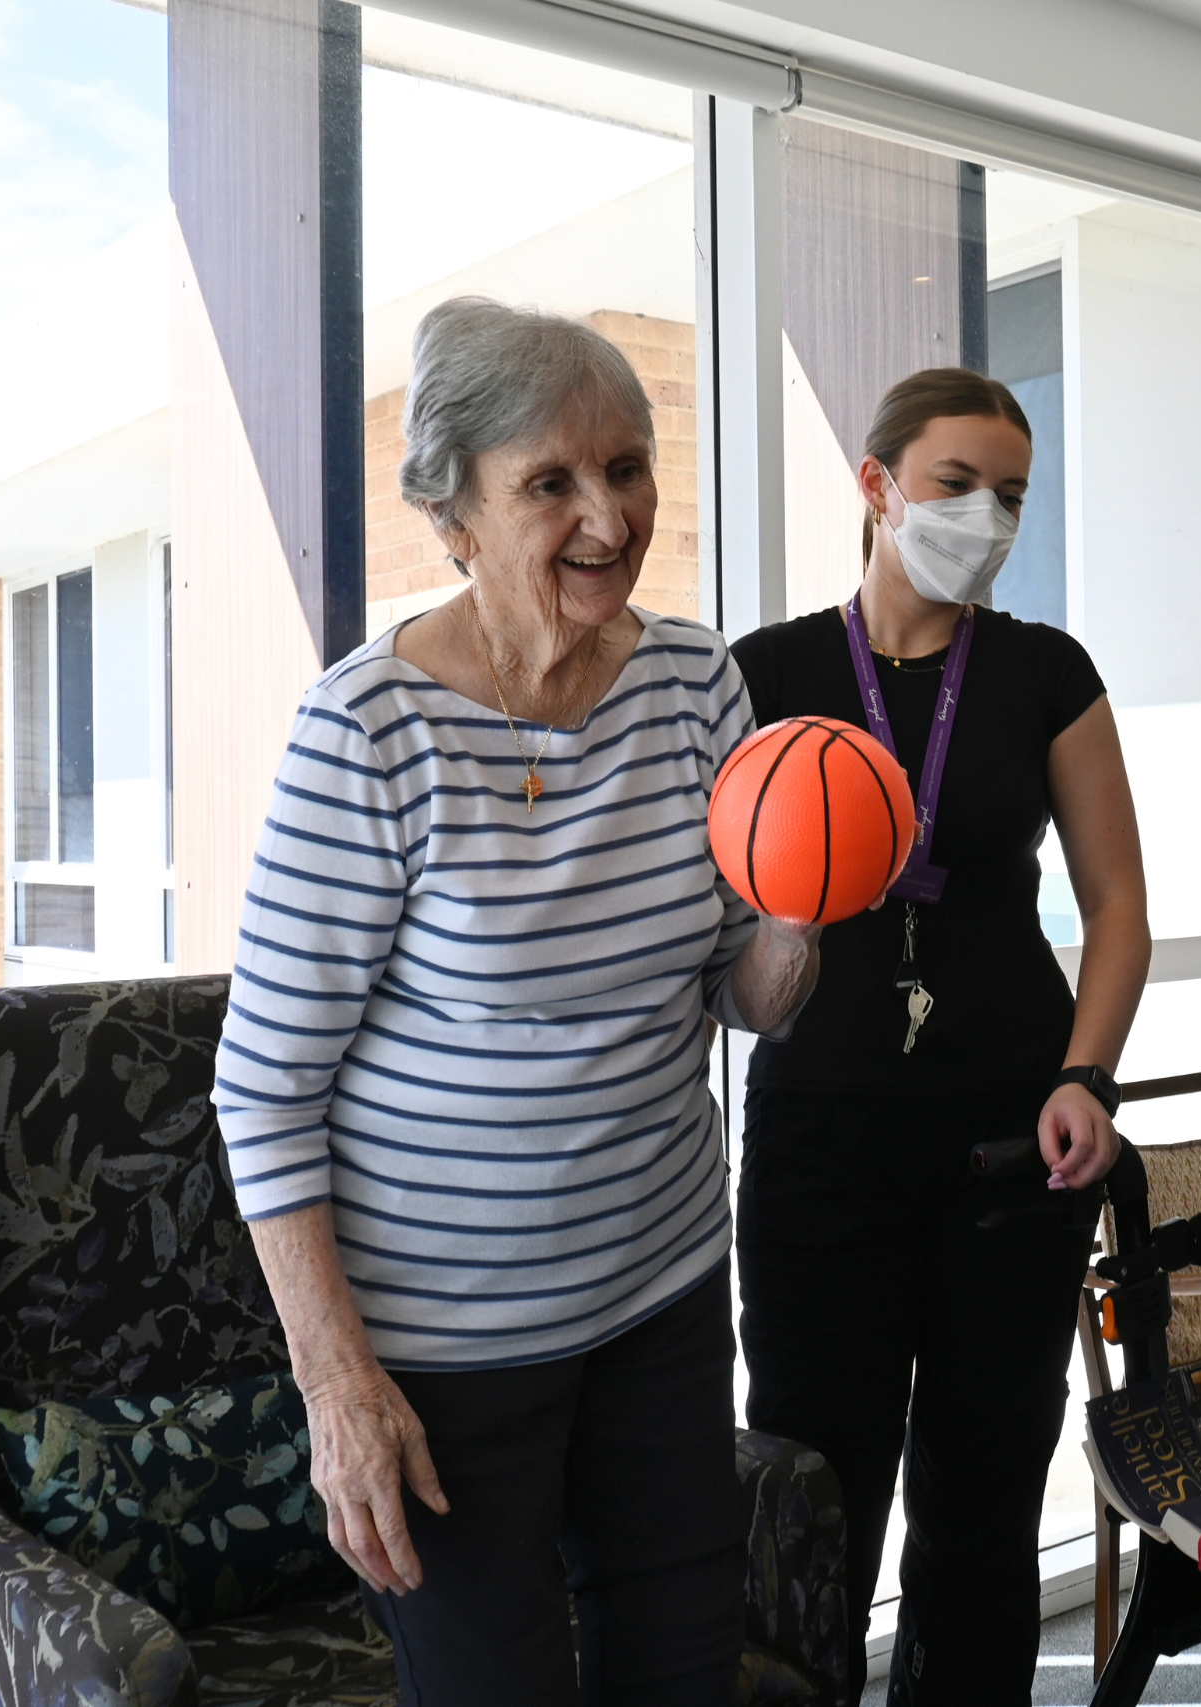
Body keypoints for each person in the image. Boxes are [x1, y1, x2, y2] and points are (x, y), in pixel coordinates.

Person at [213, 297, 818, 1705]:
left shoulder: (693, 684)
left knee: (681, 1672)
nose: (607, 513)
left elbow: (747, 988)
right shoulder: (366, 733)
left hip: (661, 1295)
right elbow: (264, 1089)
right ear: (454, 514)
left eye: (626, 465)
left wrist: (803, 911)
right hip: (444, 1349)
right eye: (552, 480)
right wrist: (337, 1386)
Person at [728, 368, 1150, 1702]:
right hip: (818, 1137)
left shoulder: (1042, 672)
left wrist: (1088, 1073)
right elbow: (712, 936)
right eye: (957, 483)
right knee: (813, 1484)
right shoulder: (772, 672)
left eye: (1011, 494)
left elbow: (1118, 904)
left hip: (1008, 1139)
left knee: (981, 1483)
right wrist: (777, 939)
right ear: (878, 486)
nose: (987, 516)